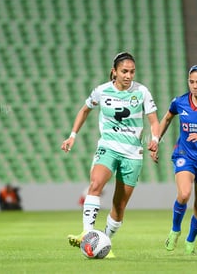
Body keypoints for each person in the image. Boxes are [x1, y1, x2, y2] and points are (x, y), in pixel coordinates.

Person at [61, 52, 159, 256]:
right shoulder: (102, 91)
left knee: (119, 204)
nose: (128, 75)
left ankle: (103, 240)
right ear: (114, 71)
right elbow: (84, 110)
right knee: (95, 184)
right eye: (124, 71)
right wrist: (72, 135)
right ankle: (87, 234)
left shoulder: (142, 92)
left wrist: (155, 140)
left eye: (132, 71)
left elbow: (153, 121)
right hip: (109, 146)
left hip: (133, 154)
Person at [151, 64, 197, 254]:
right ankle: (175, 229)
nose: (194, 86)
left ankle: (190, 240)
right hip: (185, 155)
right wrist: (156, 140)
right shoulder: (180, 102)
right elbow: (168, 118)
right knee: (184, 194)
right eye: (191, 82)